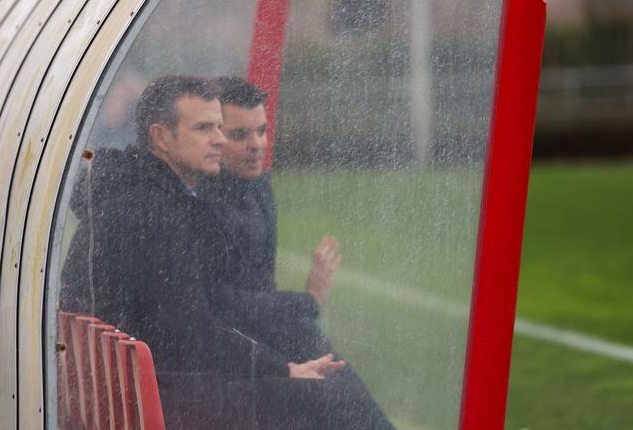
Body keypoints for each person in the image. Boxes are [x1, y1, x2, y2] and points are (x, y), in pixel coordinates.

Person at [59, 75, 388, 428]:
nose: (218, 139)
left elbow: (186, 325)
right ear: (161, 137)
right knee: (327, 396)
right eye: (204, 128)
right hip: (151, 392)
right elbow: (192, 332)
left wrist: (277, 366)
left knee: (314, 381)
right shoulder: (152, 210)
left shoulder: (138, 192)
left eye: (219, 127)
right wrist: (282, 368)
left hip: (132, 383)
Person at [199, 76, 394, 428]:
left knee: (332, 371)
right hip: (222, 359)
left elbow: (259, 289)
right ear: (214, 137)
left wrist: (300, 313)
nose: (257, 145)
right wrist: (307, 301)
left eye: (261, 131)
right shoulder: (202, 203)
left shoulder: (258, 185)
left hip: (264, 335)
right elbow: (219, 304)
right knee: (333, 390)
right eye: (241, 135)